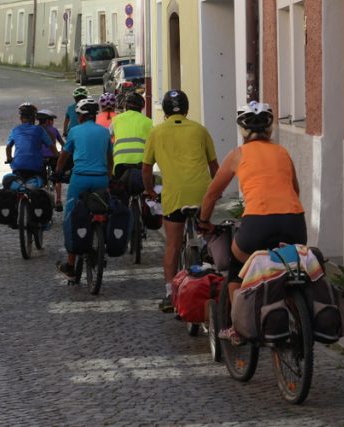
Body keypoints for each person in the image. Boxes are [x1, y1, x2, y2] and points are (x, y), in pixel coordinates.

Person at [197, 101, 306, 338]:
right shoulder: (283, 152)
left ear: (243, 131)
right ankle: (298, 317)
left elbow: (212, 194)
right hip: (294, 221)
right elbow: (295, 190)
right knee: (291, 268)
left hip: (258, 223)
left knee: (237, 269)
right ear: (270, 129)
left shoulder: (237, 155)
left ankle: (238, 328)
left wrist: (203, 221)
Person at [142, 90, 219, 312]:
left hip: (174, 195)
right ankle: (209, 272)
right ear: (186, 109)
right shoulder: (200, 130)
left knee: (173, 245)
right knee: (207, 233)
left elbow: (146, 169)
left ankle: (169, 294)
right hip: (202, 194)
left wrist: (150, 191)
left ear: (165, 111)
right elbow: (214, 166)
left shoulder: (157, 132)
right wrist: (217, 191)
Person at [53, 97, 113, 278]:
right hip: (101, 179)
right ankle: (101, 244)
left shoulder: (74, 131)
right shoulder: (104, 132)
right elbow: (109, 158)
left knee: (71, 217)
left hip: (80, 179)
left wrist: (58, 171)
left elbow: (64, 154)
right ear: (94, 116)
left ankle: (70, 264)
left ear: (80, 117)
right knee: (103, 210)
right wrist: (109, 177)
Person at [4, 102, 53, 189]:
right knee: (43, 183)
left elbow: (8, 147)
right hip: (36, 167)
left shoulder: (15, 130)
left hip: (18, 166)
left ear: (21, 118)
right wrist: (56, 155)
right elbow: (52, 146)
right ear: (34, 118)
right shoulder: (39, 130)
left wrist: (9, 159)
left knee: (17, 183)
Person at [109, 92, 153, 180]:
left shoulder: (116, 119)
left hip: (119, 162)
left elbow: (107, 138)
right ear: (142, 108)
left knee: (119, 188)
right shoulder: (148, 122)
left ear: (125, 106)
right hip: (141, 163)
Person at [37, 109, 65, 209]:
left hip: (40, 157)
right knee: (57, 177)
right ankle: (58, 200)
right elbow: (63, 144)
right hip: (53, 156)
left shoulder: (35, 130)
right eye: (52, 120)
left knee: (40, 177)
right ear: (48, 121)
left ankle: (42, 197)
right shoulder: (54, 130)